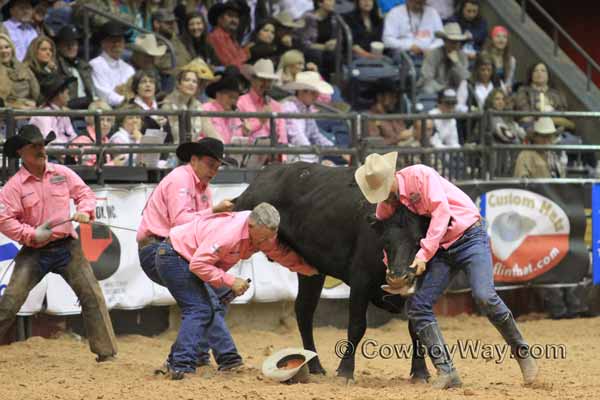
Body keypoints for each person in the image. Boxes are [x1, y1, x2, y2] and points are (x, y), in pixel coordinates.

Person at [354, 152, 539, 389]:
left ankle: (522, 353)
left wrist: (422, 255)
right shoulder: (386, 207)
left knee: (485, 295)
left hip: (469, 236)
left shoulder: (420, 176)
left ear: (391, 177)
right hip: (441, 250)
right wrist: (394, 271)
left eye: (383, 191)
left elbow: (442, 213)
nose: (383, 199)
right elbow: (387, 237)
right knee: (418, 306)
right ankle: (447, 371)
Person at [154, 202, 318, 379]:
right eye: (262, 239)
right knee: (200, 309)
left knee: (212, 306)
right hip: (174, 256)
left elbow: (277, 252)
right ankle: (181, 367)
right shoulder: (229, 235)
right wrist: (231, 281)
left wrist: (310, 269)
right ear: (251, 226)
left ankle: (180, 361)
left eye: (270, 237)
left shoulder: (261, 233)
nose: (266, 243)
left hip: (187, 257)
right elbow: (198, 264)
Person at [0, 124, 118, 362]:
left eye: (42, 145)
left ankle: (106, 353)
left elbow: (84, 194)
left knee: (92, 296)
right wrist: (31, 234)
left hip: (67, 246)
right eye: (35, 146)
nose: (41, 150)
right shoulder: (14, 186)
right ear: (21, 152)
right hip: (35, 250)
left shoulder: (61, 173)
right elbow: (3, 219)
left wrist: (85, 210)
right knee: (10, 301)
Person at [138, 137, 239, 371]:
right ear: (194, 160)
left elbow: (200, 229)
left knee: (219, 293)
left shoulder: (202, 188)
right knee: (207, 300)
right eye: (210, 164)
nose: (214, 171)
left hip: (178, 251)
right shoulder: (180, 179)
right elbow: (181, 222)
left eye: (217, 166)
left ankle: (195, 354)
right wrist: (213, 211)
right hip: (159, 250)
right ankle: (227, 357)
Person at [280, 71, 335, 163]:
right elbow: (298, 138)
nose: (317, 96)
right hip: (292, 157)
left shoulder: (306, 109)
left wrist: (336, 151)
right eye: (313, 92)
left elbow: (315, 135)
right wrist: (314, 156)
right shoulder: (289, 108)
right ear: (302, 91)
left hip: (303, 155)